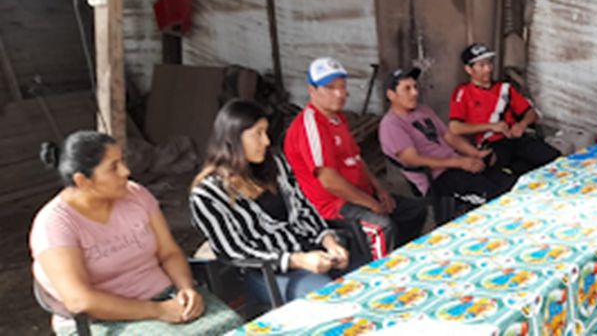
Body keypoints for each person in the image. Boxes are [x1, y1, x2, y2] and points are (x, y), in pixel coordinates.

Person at [30, 131, 242, 335]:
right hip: (104, 319)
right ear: (82, 181)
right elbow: (80, 300)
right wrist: (157, 311)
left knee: (234, 326)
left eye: (122, 161)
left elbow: (168, 252)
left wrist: (185, 288)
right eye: (113, 167)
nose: (125, 171)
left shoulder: (136, 195)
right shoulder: (55, 224)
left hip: (166, 296)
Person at [191, 100, 368, 306]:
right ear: (234, 139)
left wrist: (329, 242)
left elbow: (305, 208)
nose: (266, 141)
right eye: (257, 134)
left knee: (368, 280)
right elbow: (233, 250)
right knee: (332, 300)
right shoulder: (207, 195)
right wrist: (298, 260)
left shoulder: (276, 164)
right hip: (270, 273)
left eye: (266, 132)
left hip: (313, 252)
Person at [284, 57, 427, 248]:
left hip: (359, 195)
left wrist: (379, 188)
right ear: (312, 91)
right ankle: (383, 274)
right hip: (334, 206)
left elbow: (357, 159)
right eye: (330, 88)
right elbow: (329, 181)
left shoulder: (337, 118)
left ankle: (400, 256)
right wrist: (371, 203)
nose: (339, 94)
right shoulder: (311, 126)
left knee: (415, 210)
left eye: (342, 87)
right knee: (382, 228)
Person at [379, 67, 518, 208]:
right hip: (438, 179)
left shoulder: (424, 110)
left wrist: (476, 154)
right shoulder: (391, 125)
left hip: (456, 165)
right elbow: (412, 160)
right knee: (496, 197)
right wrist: (461, 163)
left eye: (415, 87)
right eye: (407, 89)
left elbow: (448, 136)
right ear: (391, 95)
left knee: (510, 182)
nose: (415, 93)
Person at [449, 43, 560, 177]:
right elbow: (455, 128)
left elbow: (532, 113)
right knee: (506, 174)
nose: (488, 69)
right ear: (468, 69)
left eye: (490, 63)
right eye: (482, 65)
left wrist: (521, 125)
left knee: (556, 161)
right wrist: (491, 127)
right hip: (491, 144)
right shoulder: (463, 92)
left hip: (516, 139)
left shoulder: (505, 88)